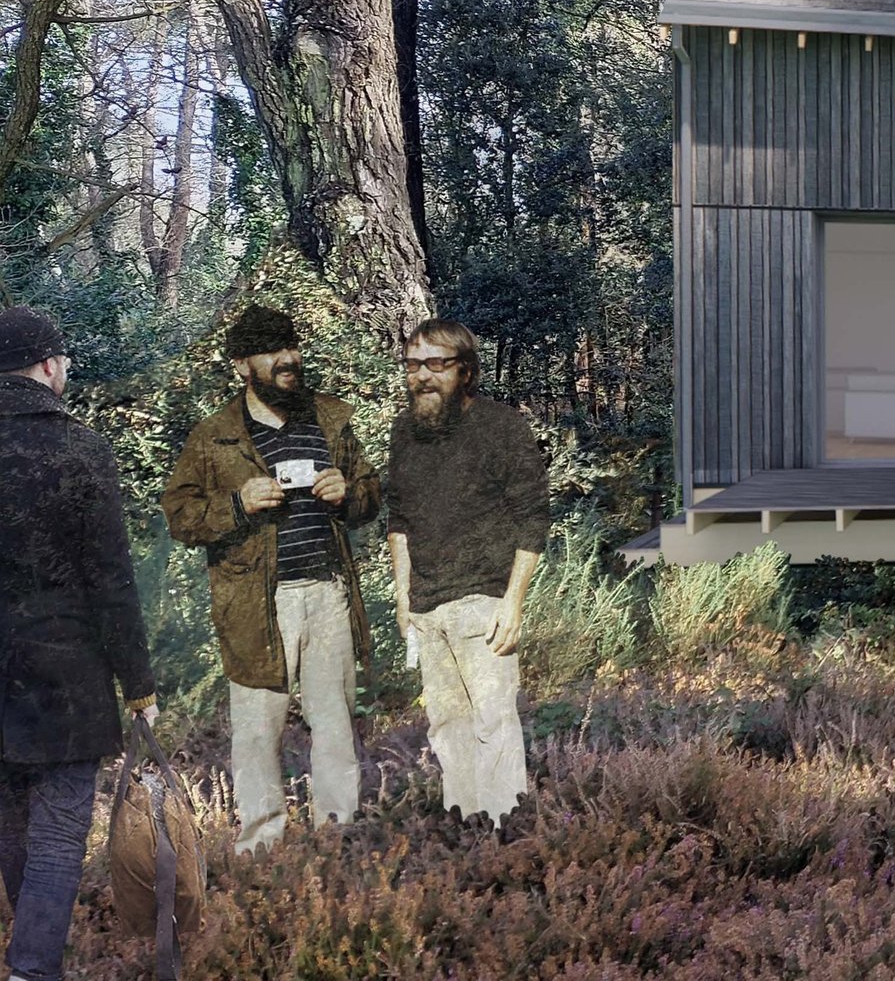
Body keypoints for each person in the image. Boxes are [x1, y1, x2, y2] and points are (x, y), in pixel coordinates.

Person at [159, 305, 379, 854]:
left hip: (329, 592)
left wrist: (347, 492)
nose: (287, 360)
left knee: (335, 721)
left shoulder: (329, 419)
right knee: (257, 731)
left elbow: (373, 493)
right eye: (270, 350)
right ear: (242, 365)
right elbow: (181, 516)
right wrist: (237, 504)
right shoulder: (214, 438)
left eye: (291, 347)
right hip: (257, 605)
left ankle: (339, 834)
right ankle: (261, 848)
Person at [0, 307, 157, 981]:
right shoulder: (80, 447)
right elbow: (112, 585)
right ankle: (34, 970)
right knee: (60, 834)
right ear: (48, 366)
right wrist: (141, 687)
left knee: (11, 828)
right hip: (67, 680)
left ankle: (32, 958)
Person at [385, 320, 546, 826]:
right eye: (413, 365)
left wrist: (514, 604)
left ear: (467, 372)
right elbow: (399, 520)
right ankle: (466, 837)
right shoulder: (404, 433)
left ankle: (504, 834)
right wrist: (403, 596)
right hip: (428, 607)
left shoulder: (503, 428)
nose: (423, 377)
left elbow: (533, 518)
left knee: (493, 723)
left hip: (484, 606)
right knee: (447, 726)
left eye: (437, 364)